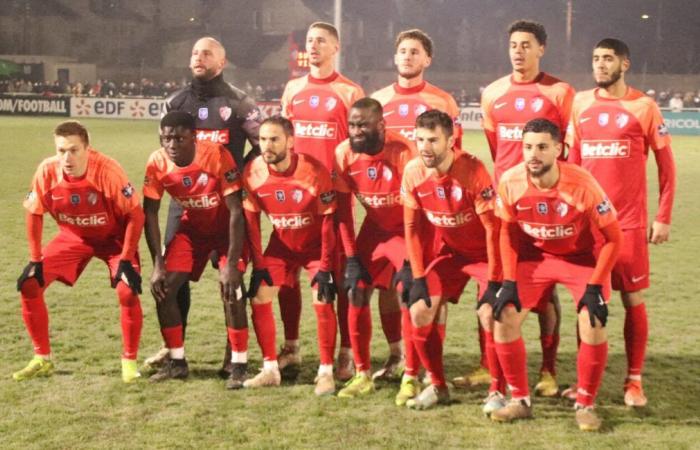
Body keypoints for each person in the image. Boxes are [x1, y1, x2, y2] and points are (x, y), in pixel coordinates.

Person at [490, 118, 621, 431]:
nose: (533, 154)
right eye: (528, 147)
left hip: (581, 260)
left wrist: (595, 286)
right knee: (504, 316)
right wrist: (508, 281)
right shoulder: (511, 181)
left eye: (542, 147)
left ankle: (585, 404)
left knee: (592, 319)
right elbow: (506, 232)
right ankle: (519, 401)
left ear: (558, 150)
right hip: (537, 259)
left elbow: (615, 239)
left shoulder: (583, 183)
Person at [567, 38, 676, 407]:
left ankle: (634, 381)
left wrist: (662, 217)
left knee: (632, 298)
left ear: (624, 64)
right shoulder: (580, 103)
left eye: (608, 59)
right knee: (586, 301)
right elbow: (574, 162)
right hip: (587, 225)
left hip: (627, 223)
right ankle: (584, 379)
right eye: (596, 58)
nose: (600, 65)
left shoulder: (643, 106)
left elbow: (667, 167)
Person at [146, 36, 265, 375]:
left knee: (231, 278)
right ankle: (175, 351)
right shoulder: (175, 101)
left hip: (228, 206)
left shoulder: (240, 103)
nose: (200, 57)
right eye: (195, 52)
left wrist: (238, 175)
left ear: (222, 62)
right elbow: (168, 150)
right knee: (174, 277)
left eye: (207, 53)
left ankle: (234, 356)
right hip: (184, 206)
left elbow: (262, 145)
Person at [479, 20, 576, 394]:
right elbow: (496, 149)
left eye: (526, 45)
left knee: (546, 288)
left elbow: (568, 148)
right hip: (506, 204)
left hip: (547, 204)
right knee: (494, 283)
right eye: (513, 45)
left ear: (541, 49)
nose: (518, 51)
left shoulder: (559, 92)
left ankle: (548, 370)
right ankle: (489, 366)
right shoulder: (493, 93)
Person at [14, 121, 144, 383]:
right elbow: (33, 212)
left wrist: (127, 260)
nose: (67, 157)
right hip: (73, 237)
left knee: (127, 291)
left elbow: (135, 214)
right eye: (61, 150)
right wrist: (35, 259)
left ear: (87, 148)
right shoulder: (47, 170)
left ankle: (129, 362)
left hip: (114, 240)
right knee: (29, 284)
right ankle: (42, 358)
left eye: (74, 150)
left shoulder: (108, 170)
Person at [370, 29, 462, 383]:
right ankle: (396, 355)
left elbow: (454, 156)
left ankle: (428, 360)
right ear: (394, 58)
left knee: (431, 289)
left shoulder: (442, 101)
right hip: (390, 211)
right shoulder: (378, 100)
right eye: (403, 51)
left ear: (427, 60)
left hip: (432, 211)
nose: (407, 56)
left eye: (415, 52)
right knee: (387, 286)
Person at [400, 110, 502, 410]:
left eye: (433, 140)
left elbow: (493, 230)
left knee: (488, 314)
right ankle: (437, 384)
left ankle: (497, 390)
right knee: (419, 310)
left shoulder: (472, 170)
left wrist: (495, 280)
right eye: (419, 139)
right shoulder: (414, 172)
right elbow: (412, 228)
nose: (424, 147)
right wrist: (418, 276)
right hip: (452, 255)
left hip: (484, 255)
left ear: (451, 140)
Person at [280, 22, 365, 380]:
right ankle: (292, 345)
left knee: (340, 272)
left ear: (336, 47)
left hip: (335, 195)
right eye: (310, 41)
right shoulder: (293, 89)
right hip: (297, 193)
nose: (313, 47)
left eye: (321, 42)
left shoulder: (350, 91)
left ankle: (346, 351)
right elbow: (283, 140)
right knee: (287, 273)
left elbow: (358, 144)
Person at [142, 111, 249, 388]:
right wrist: (158, 264)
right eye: (167, 138)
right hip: (193, 230)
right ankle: (177, 362)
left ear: (194, 137)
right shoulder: (156, 163)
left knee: (232, 289)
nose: (172, 145)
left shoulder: (215, 154)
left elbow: (237, 210)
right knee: (164, 286)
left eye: (179, 138)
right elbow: (150, 213)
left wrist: (232, 263)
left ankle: (238, 364)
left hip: (226, 228)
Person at [243, 116, 339, 396]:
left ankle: (325, 372)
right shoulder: (253, 172)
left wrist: (324, 266)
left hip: (313, 247)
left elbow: (328, 223)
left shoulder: (314, 171)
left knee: (321, 300)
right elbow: (251, 223)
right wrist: (259, 264)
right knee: (260, 296)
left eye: (274, 139)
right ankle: (271, 369)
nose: (267, 146)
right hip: (281, 246)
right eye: (262, 139)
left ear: (291, 141)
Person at [332, 98, 416, 399]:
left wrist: (411, 257)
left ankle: (411, 374)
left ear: (381, 125)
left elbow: (416, 210)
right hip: (375, 228)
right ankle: (362, 373)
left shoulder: (404, 152)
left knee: (408, 291)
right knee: (355, 287)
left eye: (362, 125)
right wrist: (352, 257)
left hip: (407, 228)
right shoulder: (343, 153)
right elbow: (343, 212)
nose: (355, 131)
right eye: (352, 124)